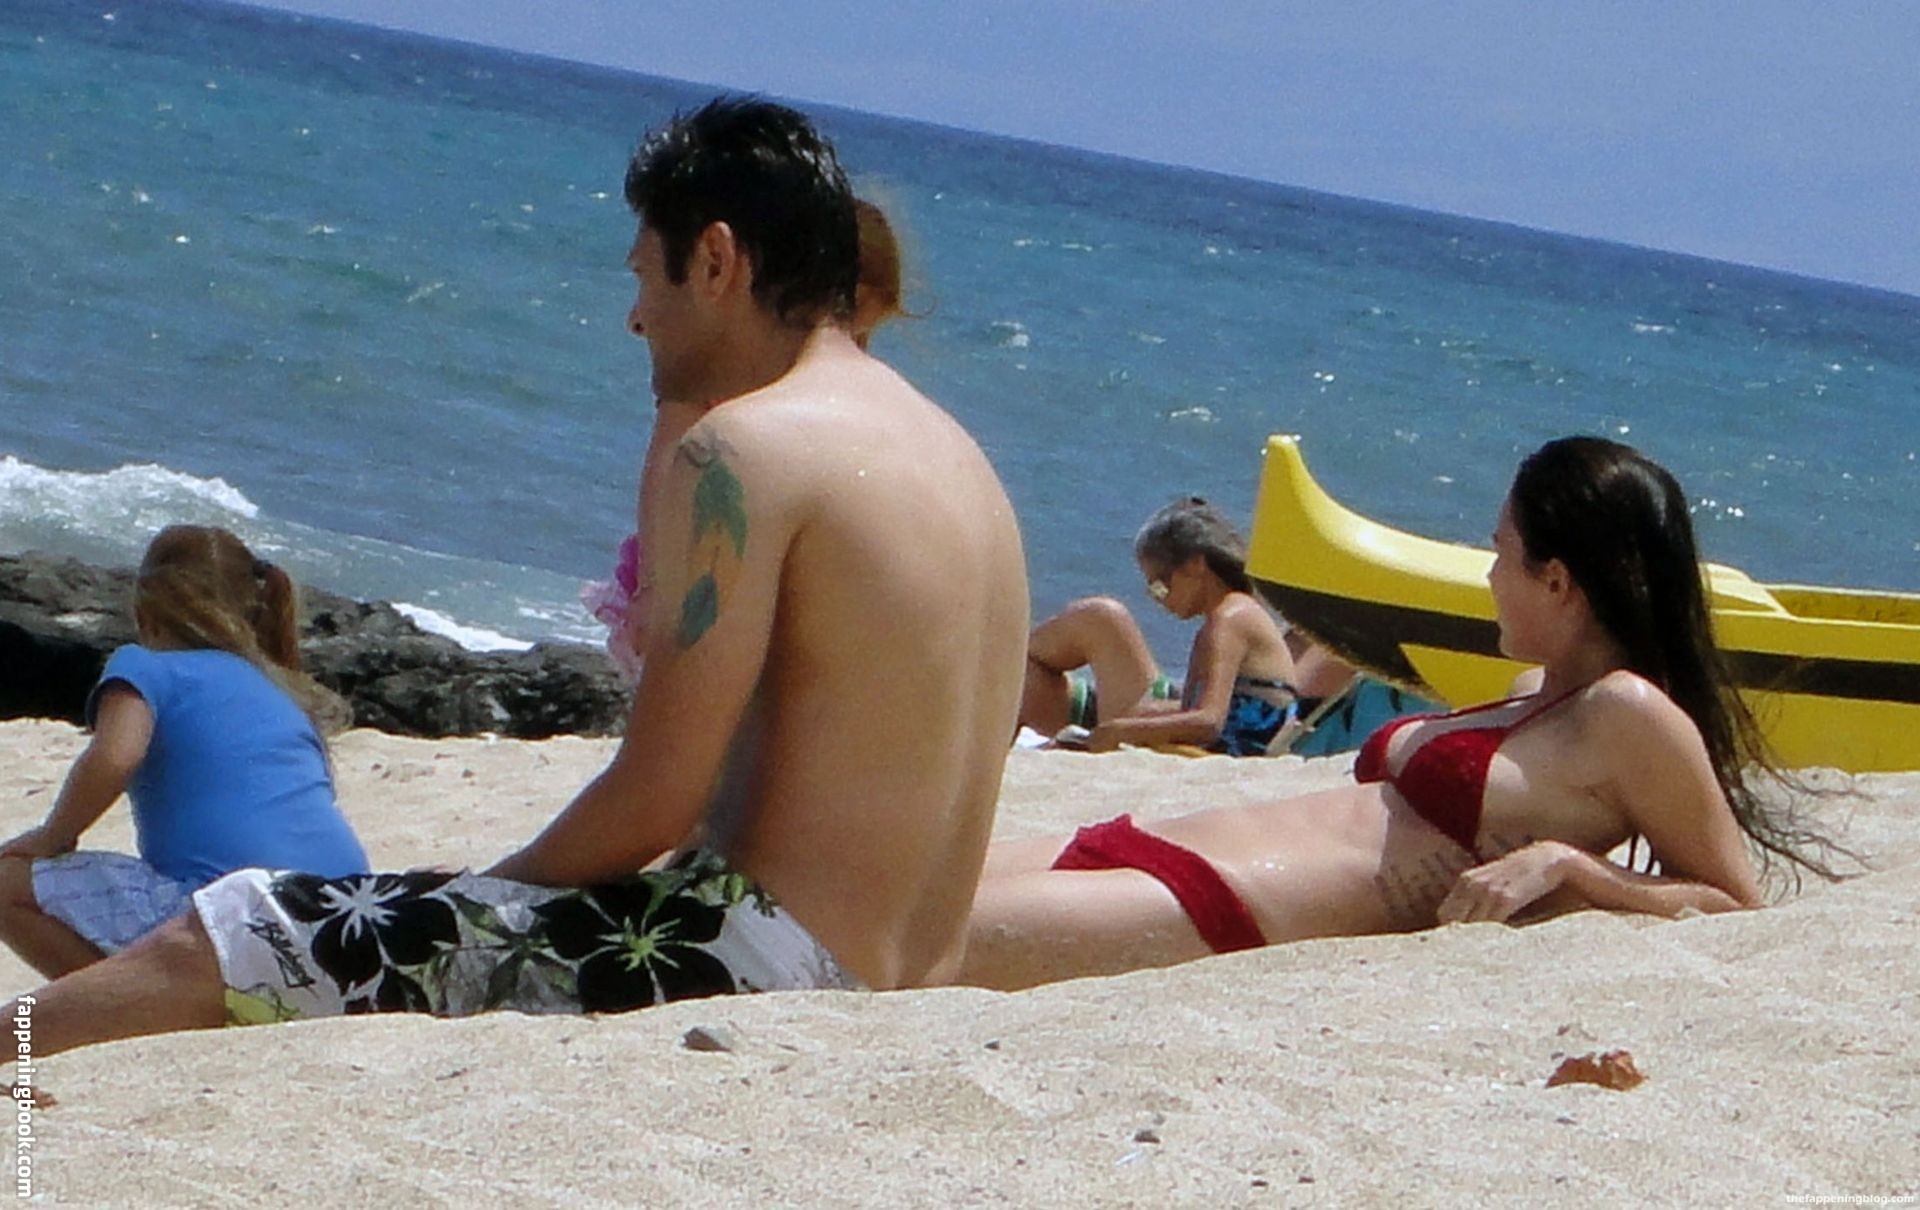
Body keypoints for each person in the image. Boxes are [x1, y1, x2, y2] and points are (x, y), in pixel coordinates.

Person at [16, 96, 1029, 1054]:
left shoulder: (747, 451)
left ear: (716, 260)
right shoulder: (956, 459)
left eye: (646, 276)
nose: (636, 317)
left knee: (243, 925)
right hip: (895, 975)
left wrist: (482, 893)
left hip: (751, 954)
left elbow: (654, 801)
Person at [963, 436, 1844, 990]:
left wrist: (1571, 869)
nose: (1488, 575)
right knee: (898, 892)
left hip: (1220, 907)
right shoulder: (1533, 695)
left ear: (1556, 581)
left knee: (908, 944)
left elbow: (1732, 904)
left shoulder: (1628, 713)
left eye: (1500, 553)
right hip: (1164, 844)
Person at [0, 526, 368, 978]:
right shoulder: (283, 692)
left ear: (145, 611)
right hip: (348, 920)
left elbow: (115, 757)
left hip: (237, 914)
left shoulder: (144, 666)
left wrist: (54, 835)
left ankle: (125, 1005)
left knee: (6, 885)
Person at [585, 196, 911, 680]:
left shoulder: (836, 387)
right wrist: (653, 584)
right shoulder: (710, 377)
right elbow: (665, 464)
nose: (855, 343)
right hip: (690, 559)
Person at [1019, 496, 1301, 755]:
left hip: (1224, 752)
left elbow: (1208, 722)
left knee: (1096, 618)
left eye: (1160, 586)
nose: (1159, 599)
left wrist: (1121, 730)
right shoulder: (1239, 613)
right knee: (1031, 675)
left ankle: (1006, 664)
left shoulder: (1228, 620)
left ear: (1196, 565)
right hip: (1236, 747)